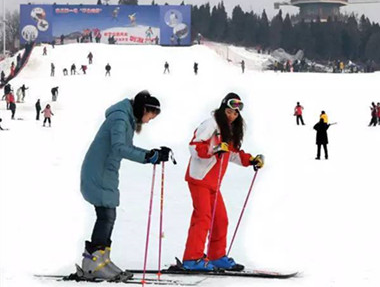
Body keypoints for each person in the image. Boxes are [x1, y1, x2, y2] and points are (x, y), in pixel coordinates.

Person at [79, 91, 167, 281]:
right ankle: (93, 264)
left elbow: (123, 147)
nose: (149, 121)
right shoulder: (120, 118)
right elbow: (119, 147)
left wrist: (151, 154)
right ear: (143, 109)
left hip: (105, 171)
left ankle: (101, 260)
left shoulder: (125, 117)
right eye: (150, 116)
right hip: (99, 171)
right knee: (106, 216)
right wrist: (147, 156)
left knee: (108, 215)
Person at [181, 92, 264, 271]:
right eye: (229, 111)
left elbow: (232, 153)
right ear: (222, 109)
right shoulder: (210, 124)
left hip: (213, 183)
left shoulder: (229, 129)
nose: (232, 116)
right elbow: (194, 147)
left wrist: (250, 160)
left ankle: (216, 256)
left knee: (221, 220)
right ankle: (192, 258)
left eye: (235, 114)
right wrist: (214, 149)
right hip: (200, 178)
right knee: (203, 217)